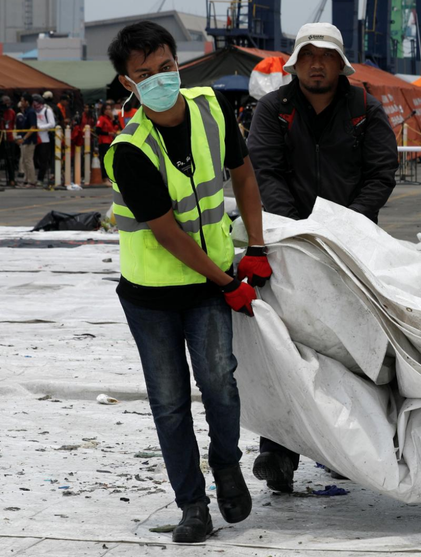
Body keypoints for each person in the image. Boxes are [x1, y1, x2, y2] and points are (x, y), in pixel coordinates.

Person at [104, 21, 267, 543]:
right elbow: (168, 234)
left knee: (220, 380)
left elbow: (242, 175)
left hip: (206, 286)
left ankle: (226, 464)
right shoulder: (129, 149)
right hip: (151, 295)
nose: (159, 80)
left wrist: (257, 247)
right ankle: (192, 504)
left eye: (166, 68)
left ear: (181, 63)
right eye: (144, 75)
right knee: (170, 401)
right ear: (128, 84)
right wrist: (228, 281)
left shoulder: (212, 108)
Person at [247, 22, 398, 492]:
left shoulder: (365, 110)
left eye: (326, 55)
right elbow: (263, 170)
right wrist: (297, 229)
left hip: (352, 247)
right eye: (308, 55)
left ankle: (346, 446)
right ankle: (278, 451)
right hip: (288, 245)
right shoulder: (274, 109)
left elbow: (381, 172)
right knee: (286, 348)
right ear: (295, 62)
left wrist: (344, 225)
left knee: (351, 351)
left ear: (339, 63)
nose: (316, 63)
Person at [31, 94, 55, 188]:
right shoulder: (33, 111)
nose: (35, 104)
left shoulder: (47, 110)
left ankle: (40, 179)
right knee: (33, 159)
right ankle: (33, 178)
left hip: (44, 138)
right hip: (34, 137)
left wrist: (40, 127)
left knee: (43, 160)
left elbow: (52, 124)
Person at [15, 95, 38, 188]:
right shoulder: (25, 112)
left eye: (22, 101)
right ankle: (26, 179)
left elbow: (33, 127)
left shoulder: (31, 112)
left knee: (28, 160)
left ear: (27, 102)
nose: (21, 103)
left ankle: (32, 181)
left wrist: (24, 138)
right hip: (25, 140)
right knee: (24, 160)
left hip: (30, 140)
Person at [96, 104, 118, 182]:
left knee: (111, 160)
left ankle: (109, 178)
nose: (108, 111)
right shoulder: (101, 118)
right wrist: (108, 133)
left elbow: (116, 126)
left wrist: (113, 118)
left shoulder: (110, 119)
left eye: (109, 109)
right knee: (104, 160)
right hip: (103, 141)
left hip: (110, 141)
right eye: (106, 109)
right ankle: (104, 178)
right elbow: (98, 130)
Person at [1, 95, 18, 188]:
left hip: (9, 137)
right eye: (5, 102)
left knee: (10, 159)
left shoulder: (12, 112)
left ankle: (12, 179)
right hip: (1, 138)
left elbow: (13, 124)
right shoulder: (1, 112)